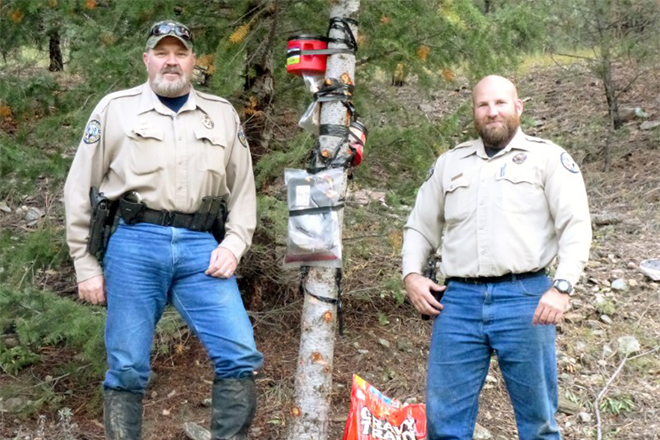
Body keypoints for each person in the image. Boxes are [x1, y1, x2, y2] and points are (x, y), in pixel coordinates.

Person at [64, 20, 263, 440]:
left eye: (180, 53)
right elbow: (79, 185)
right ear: (147, 59)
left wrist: (235, 243)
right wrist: (84, 263)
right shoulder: (115, 109)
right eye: (161, 52)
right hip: (136, 243)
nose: (170, 61)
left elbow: (244, 189)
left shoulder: (222, 115)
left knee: (239, 353)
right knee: (128, 366)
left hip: (201, 248)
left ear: (193, 61)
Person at [402, 75, 591, 440]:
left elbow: (576, 227)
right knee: (444, 426)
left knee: (538, 423)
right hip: (457, 304)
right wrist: (411, 275)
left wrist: (563, 287)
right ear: (474, 112)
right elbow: (419, 227)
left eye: (501, 103)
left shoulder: (548, 158)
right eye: (483, 105)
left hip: (527, 299)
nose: (492, 112)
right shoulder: (449, 164)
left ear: (518, 107)